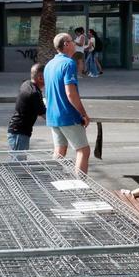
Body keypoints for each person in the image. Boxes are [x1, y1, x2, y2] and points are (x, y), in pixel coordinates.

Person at [44, 33, 91, 174]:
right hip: (67, 115)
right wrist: (83, 114)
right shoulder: (68, 63)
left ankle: (53, 181)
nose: (75, 43)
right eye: (72, 41)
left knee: (59, 150)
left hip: (53, 116)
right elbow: (70, 93)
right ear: (66, 44)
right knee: (83, 150)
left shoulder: (49, 64)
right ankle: (79, 187)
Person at [7, 64, 46, 151]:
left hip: (17, 130)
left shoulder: (26, 84)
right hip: (20, 133)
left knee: (19, 161)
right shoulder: (35, 93)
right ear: (40, 77)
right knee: (19, 162)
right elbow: (44, 114)